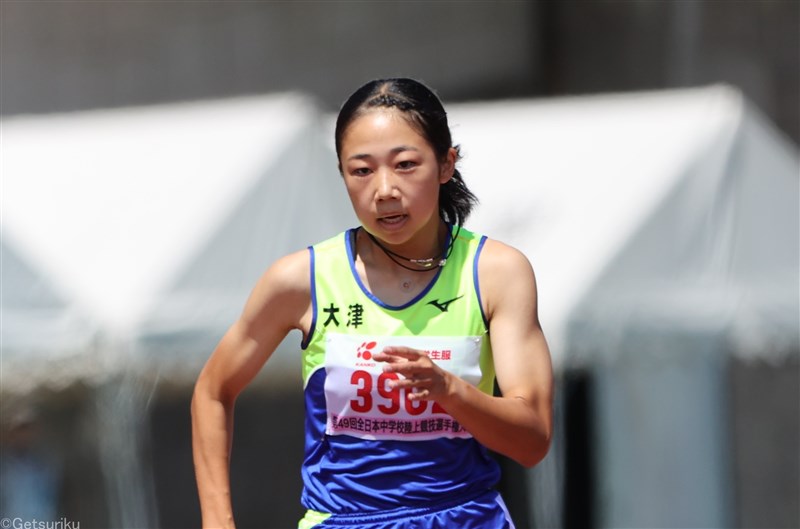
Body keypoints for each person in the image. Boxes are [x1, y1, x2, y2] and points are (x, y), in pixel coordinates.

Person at [192, 78, 553, 529]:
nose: (384, 190)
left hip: (465, 519)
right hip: (342, 520)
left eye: (405, 165)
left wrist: (450, 391)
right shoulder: (301, 278)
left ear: (446, 164)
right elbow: (212, 390)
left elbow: (533, 442)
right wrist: (217, 520)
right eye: (361, 171)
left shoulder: (495, 273)